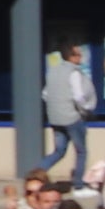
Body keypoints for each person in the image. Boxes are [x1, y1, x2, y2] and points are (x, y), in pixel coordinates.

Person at [41, 44, 96, 179]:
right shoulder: (74, 73)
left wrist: (57, 105)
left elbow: (45, 94)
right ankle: (78, 185)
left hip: (55, 119)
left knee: (59, 151)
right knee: (81, 152)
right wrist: (86, 110)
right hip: (71, 118)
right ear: (71, 57)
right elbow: (78, 96)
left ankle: (36, 175)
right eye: (78, 54)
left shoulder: (53, 71)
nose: (81, 56)